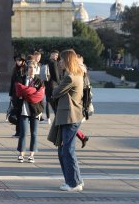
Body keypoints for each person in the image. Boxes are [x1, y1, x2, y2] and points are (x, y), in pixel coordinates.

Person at [53, 49, 85, 192]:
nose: (59, 62)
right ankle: (75, 180)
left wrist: (56, 88)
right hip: (70, 116)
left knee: (67, 151)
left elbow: (55, 93)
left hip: (69, 117)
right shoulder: (76, 75)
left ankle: (73, 183)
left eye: (61, 60)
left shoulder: (70, 77)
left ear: (67, 61)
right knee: (64, 150)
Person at [14, 60, 45, 164]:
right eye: (30, 67)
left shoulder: (39, 81)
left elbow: (40, 96)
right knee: (23, 133)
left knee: (34, 133)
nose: (31, 70)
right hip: (24, 110)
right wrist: (31, 93)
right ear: (27, 69)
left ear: (36, 69)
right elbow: (18, 92)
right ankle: (21, 154)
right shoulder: (21, 79)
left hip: (35, 110)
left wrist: (26, 93)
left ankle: (32, 154)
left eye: (33, 67)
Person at [9, 55, 26, 137]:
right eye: (17, 60)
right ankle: (18, 132)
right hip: (15, 94)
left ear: (23, 61)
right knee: (17, 114)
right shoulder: (14, 69)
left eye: (19, 60)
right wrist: (10, 95)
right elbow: (12, 83)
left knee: (21, 114)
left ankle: (21, 131)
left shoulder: (25, 70)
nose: (18, 62)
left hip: (23, 95)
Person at [44, 50, 61, 123]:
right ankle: (57, 120)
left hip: (48, 85)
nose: (56, 57)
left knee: (49, 102)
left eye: (57, 55)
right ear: (51, 54)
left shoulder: (47, 62)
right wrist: (60, 83)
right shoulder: (53, 63)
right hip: (53, 85)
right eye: (55, 55)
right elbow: (56, 76)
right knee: (55, 105)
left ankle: (51, 119)